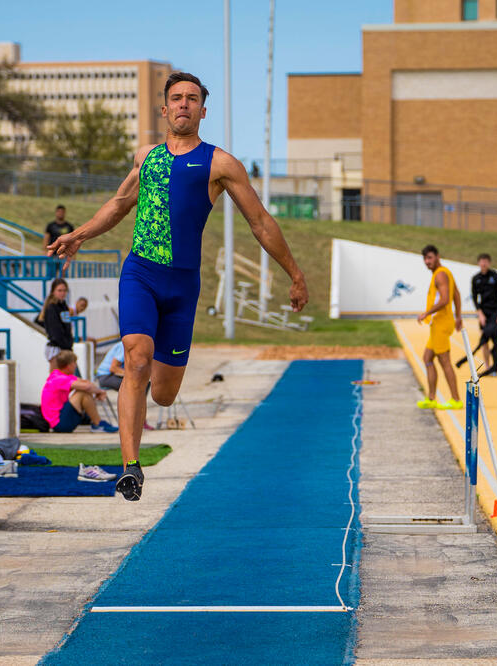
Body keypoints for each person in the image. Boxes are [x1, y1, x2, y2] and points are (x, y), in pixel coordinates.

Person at [47, 71, 308, 501]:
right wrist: (80, 234)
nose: (183, 104)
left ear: (202, 111)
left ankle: (147, 397)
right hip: (141, 274)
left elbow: (260, 222)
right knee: (136, 358)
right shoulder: (145, 157)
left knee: (165, 394)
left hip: (183, 287)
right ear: (164, 109)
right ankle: (130, 467)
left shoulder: (221, 164)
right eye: (176, 98)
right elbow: (118, 204)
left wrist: (295, 275)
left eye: (191, 99)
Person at [415, 245, 463, 410]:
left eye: (430, 258)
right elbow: (456, 294)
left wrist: (425, 313)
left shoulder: (440, 275)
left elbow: (444, 300)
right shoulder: (445, 272)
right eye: (425, 259)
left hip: (441, 324)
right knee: (427, 358)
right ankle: (432, 398)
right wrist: (458, 316)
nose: (427, 262)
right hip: (440, 323)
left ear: (437, 256)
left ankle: (456, 399)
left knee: (445, 362)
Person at [41, 350, 117, 433]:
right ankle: (98, 423)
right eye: (74, 363)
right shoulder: (59, 379)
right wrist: (100, 392)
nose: (75, 366)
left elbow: (86, 383)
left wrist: (97, 391)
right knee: (82, 392)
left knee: (84, 390)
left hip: (60, 419)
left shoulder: (58, 374)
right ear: (69, 365)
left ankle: (96, 423)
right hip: (59, 424)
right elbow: (87, 386)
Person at [465, 253, 497, 376]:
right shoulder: (476, 279)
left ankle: (495, 368)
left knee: (495, 340)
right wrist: (480, 313)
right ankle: (487, 366)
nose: (483, 264)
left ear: (489, 263)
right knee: (484, 341)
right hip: (484, 313)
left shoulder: (495, 277)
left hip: (496, 312)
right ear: (478, 263)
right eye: (481, 261)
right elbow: (475, 297)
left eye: (486, 261)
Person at [39, 278, 74, 370]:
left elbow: (67, 326)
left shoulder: (64, 306)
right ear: (53, 291)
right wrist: (65, 346)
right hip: (56, 349)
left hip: (66, 348)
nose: (62, 293)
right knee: (55, 379)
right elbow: (55, 331)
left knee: (70, 378)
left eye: (64, 290)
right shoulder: (51, 308)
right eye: (59, 290)